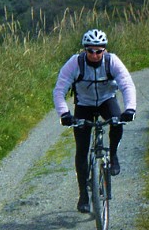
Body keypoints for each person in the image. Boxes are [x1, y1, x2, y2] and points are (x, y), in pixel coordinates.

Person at [52, 28, 137, 213]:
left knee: (117, 122)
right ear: (84, 50)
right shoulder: (75, 63)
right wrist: (64, 114)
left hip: (107, 100)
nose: (95, 55)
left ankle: (113, 155)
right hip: (84, 104)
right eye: (90, 50)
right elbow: (59, 90)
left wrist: (130, 109)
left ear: (104, 50)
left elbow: (126, 84)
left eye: (99, 51)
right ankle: (83, 194)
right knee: (81, 150)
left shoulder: (112, 61)